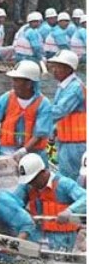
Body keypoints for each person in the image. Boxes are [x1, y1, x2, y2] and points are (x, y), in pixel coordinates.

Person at [14, 153, 86, 251]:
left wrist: (70, 211)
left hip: (63, 238)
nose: (31, 183)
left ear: (43, 172)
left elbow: (85, 198)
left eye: (33, 180)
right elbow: (13, 203)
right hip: (36, 235)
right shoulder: (27, 186)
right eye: (28, 181)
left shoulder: (64, 184)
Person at [0, 60, 52, 164]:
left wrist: (23, 151)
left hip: (33, 154)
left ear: (29, 83)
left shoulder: (43, 104)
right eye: (13, 80)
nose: (13, 84)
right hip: (6, 151)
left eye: (17, 80)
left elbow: (40, 134)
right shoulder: (6, 99)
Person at [48, 50, 86, 180]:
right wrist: (53, 130)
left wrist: (36, 115)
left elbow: (59, 111)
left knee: (72, 180)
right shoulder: (63, 87)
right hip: (66, 141)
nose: (54, 70)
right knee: (65, 177)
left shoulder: (75, 88)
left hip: (76, 144)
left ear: (68, 68)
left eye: (58, 67)